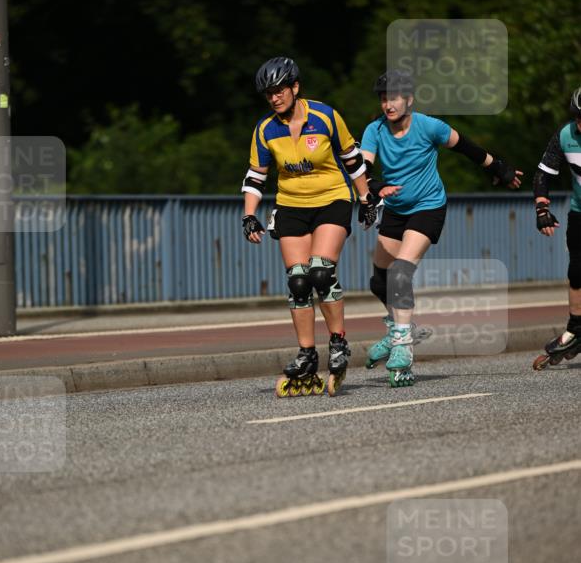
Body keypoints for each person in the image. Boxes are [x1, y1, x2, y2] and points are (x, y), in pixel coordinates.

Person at [360, 70, 522, 386]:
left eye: (393, 98)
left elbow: (467, 148)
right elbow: (363, 167)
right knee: (379, 282)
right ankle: (402, 328)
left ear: (408, 99)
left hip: (428, 206)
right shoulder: (374, 130)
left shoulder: (429, 126)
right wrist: (376, 185)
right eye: (383, 98)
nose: (387, 105)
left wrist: (499, 168)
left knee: (401, 273)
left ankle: (403, 346)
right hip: (394, 209)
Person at [242, 56, 375, 396]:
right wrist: (249, 214)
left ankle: (339, 343)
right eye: (268, 93)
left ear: (295, 87)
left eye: (279, 90)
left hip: (332, 199)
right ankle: (306, 355)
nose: (274, 98)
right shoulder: (265, 129)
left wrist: (366, 199)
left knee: (320, 273)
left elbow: (352, 159)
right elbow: (256, 176)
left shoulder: (325, 116)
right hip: (291, 206)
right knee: (299, 282)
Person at [532, 87, 581, 369]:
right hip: (579, 212)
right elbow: (543, 174)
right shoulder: (565, 135)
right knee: (576, 270)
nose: (580, 125)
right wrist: (542, 208)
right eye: (578, 118)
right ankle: (576, 329)